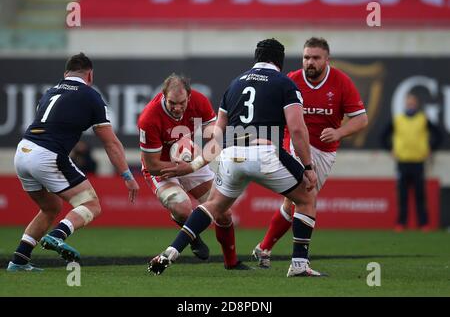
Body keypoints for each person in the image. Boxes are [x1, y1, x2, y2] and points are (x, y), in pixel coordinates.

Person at [148, 38, 326, 277]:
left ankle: (172, 250)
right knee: (307, 197)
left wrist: (192, 166)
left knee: (214, 205)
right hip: (264, 151)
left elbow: (218, 137)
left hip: (231, 154)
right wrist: (307, 166)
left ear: (256, 58)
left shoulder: (234, 85)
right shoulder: (286, 84)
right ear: (279, 61)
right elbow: (296, 129)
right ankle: (299, 265)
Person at [7, 53, 139, 272]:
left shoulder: (50, 92)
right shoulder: (91, 96)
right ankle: (57, 235)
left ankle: (19, 260)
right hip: (47, 155)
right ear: (90, 75)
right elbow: (111, 143)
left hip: (23, 152)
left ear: (65, 73)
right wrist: (127, 175)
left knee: (51, 207)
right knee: (91, 205)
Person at [252, 37, 368, 268]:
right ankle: (296, 261)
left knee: (293, 202)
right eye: (306, 57)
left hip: (325, 150)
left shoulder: (341, 82)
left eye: (315, 58)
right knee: (304, 197)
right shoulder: (291, 80)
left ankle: (264, 248)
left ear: (327, 59)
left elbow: (362, 119)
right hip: (294, 145)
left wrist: (339, 133)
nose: (310, 62)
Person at [138, 74, 241, 268]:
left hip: (189, 159)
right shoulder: (149, 118)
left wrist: (192, 166)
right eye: (172, 103)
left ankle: (232, 262)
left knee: (224, 213)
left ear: (190, 96)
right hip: (162, 167)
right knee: (182, 208)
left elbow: (216, 141)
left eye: (182, 103)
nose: (177, 108)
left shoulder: (200, 101)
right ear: (163, 96)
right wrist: (178, 169)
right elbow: (151, 164)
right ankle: (193, 238)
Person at [381, 92, 442, 232]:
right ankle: (401, 223)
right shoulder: (398, 120)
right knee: (402, 195)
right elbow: (383, 136)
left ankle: (423, 224)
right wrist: (390, 149)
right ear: (405, 103)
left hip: (418, 162)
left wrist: (430, 148)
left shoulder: (423, 119)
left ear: (417, 103)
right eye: (408, 102)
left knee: (420, 194)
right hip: (402, 162)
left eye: (413, 102)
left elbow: (438, 135)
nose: (411, 104)